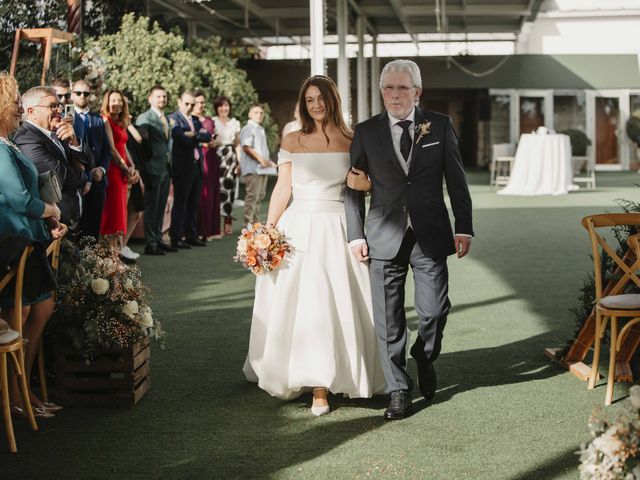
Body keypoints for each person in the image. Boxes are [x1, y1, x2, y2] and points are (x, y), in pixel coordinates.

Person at [243, 75, 385, 416]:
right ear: (303, 104)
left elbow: (362, 187)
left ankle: (333, 380)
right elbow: (283, 189)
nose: (316, 105)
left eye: (321, 98)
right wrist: (266, 231)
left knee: (333, 301)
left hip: (338, 227)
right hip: (298, 228)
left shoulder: (352, 139)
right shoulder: (292, 138)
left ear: (332, 100)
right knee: (302, 303)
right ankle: (306, 379)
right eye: (309, 100)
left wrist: (367, 186)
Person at [344, 59, 474, 420]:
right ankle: (398, 390)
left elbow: (457, 181)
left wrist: (464, 226)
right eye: (389, 88)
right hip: (382, 235)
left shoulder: (440, 126)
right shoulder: (366, 131)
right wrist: (354, 234)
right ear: (382, 91)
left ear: (418, 92)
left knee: (434, 311)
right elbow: (353, 187)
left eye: (403, 88)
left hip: (429, 233)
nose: (395, 95)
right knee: (388, 321)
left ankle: (424, 354)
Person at [0, 72, 66, 417]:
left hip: (30, 238)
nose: (16, 107)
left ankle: (24, 390)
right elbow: (17, 198)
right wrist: (50, 209)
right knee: (20, 315)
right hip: (11, 242)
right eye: (12, 101)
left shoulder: (8, 143)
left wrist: (47, 218)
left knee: (41, 309)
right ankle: (13, 397)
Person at [14, 86, 89, 227]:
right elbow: (63, 178)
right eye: (52, 106)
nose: (59, 110)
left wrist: (74, 142)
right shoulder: (27, 139)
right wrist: (84, 175)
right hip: (55, 225)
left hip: (71, 217)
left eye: (59, 106)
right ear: (31, 112)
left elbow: (90, 160)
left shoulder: (58, 131)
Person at [168, 90, 211, 249]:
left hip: (196, 165)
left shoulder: (195, 119)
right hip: (182, 166)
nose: (190, 107)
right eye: (187, 103)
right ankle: (176, 237)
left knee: (194, 202)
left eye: (192, 104)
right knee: (181, 203)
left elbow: (207, 137)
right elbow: (178, 136)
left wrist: (194, 134)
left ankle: (191, 235)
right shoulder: (173, 118)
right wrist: (197, 135)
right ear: (179, 102)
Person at [100, 89, 140, 253]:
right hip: (113, 171)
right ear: (107, 103)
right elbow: (111, 148)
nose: (116, 104)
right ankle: (109, 255)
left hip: (123, 173)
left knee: (120, 214)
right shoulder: (105, 120)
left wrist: (132, 166)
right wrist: (125, 168)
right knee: (113, 215)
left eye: (119, 101)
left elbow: (123, 147)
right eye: (113, 100)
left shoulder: (121, 122)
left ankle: (116, 252)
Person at [136, 85, 174, 256]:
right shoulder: (145, 117)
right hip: (152, 167)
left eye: (164, 97)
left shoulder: (165, 117)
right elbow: (140, 143)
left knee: (160, 205)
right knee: (152, 207)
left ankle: (158, 238)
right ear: (150, 98)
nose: (162, 100)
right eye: (158, 97)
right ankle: (150, 243)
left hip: (166, 167)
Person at [72, 79, 112, 240]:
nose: (82, 96)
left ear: (91, 96)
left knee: (93, 227)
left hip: (98, 180)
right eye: (78, 93)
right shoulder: (67, 117)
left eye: (86, 93)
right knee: (76, 226)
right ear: (72, 94)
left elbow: (107, 149)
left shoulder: (98, 119)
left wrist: (102, 169)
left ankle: (90, 263)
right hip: (77, 178)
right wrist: (86, 175)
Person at [239, 103, 275, 226]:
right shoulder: (249, 128)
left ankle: (255, 223)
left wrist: (268, 162)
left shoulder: (260, 129)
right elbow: (246, 147)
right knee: (252, 197)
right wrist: (261, 160)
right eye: (255, 112)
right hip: (253, 168)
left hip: (262, 168)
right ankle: (247, 225)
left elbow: (261, 150)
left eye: (261, 113)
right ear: (249, 114)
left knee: (259, 196)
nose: (259, 115)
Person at [192, 91, 221, 241]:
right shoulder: (189, 120)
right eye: (197, 102)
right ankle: (194, 230)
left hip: (211, 158)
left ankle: (208, 230)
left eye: (202, 102)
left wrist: (215, 142)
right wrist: (203, 143)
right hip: (196, 159)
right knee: (199, 194)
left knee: (209, 194)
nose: (200, 105)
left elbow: (216, 138)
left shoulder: (209, 121)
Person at [212, 96, 241, 236]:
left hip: (230, 157)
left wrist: (239, 163)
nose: (224, 108)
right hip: (216, 156)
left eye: (226, 105)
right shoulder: (213, 121)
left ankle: (227, 222)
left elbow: (238, 144)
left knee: (228, 190)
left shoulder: (235, 123)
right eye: (221, 106)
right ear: (216, 108)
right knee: (216, 189)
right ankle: (215, 223)